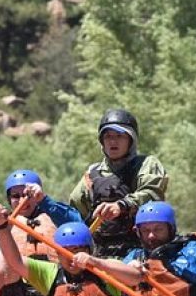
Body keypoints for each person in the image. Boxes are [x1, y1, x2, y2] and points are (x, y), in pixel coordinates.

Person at [0, 206, 128, 296]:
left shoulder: (106, 270)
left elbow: (134, 277)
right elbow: (14, 261)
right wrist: (2, 228)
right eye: (65, 251)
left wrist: (96, 262)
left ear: (89, 250)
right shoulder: (51, 274)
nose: (71, 256)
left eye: (77, 250)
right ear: (57, 253)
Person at [69, 109, 168, 257]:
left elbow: (152, 194)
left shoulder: (147, 164)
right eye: (108, 136)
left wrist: (121, 205)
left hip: (141, 250)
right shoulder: (92, 173)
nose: (113, 141)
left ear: (131, 140)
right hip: (100, 252)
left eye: (119, 136)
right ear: (102, 141)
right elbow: (75, 211)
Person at [4, 169, 82, 262]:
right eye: (16, 196)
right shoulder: (5, 224)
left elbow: (79, 224)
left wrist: (44, 200)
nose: (22, 200)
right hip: (21, 273)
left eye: (27, 194)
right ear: (9, 200)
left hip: (56, 273)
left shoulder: (53, 213)